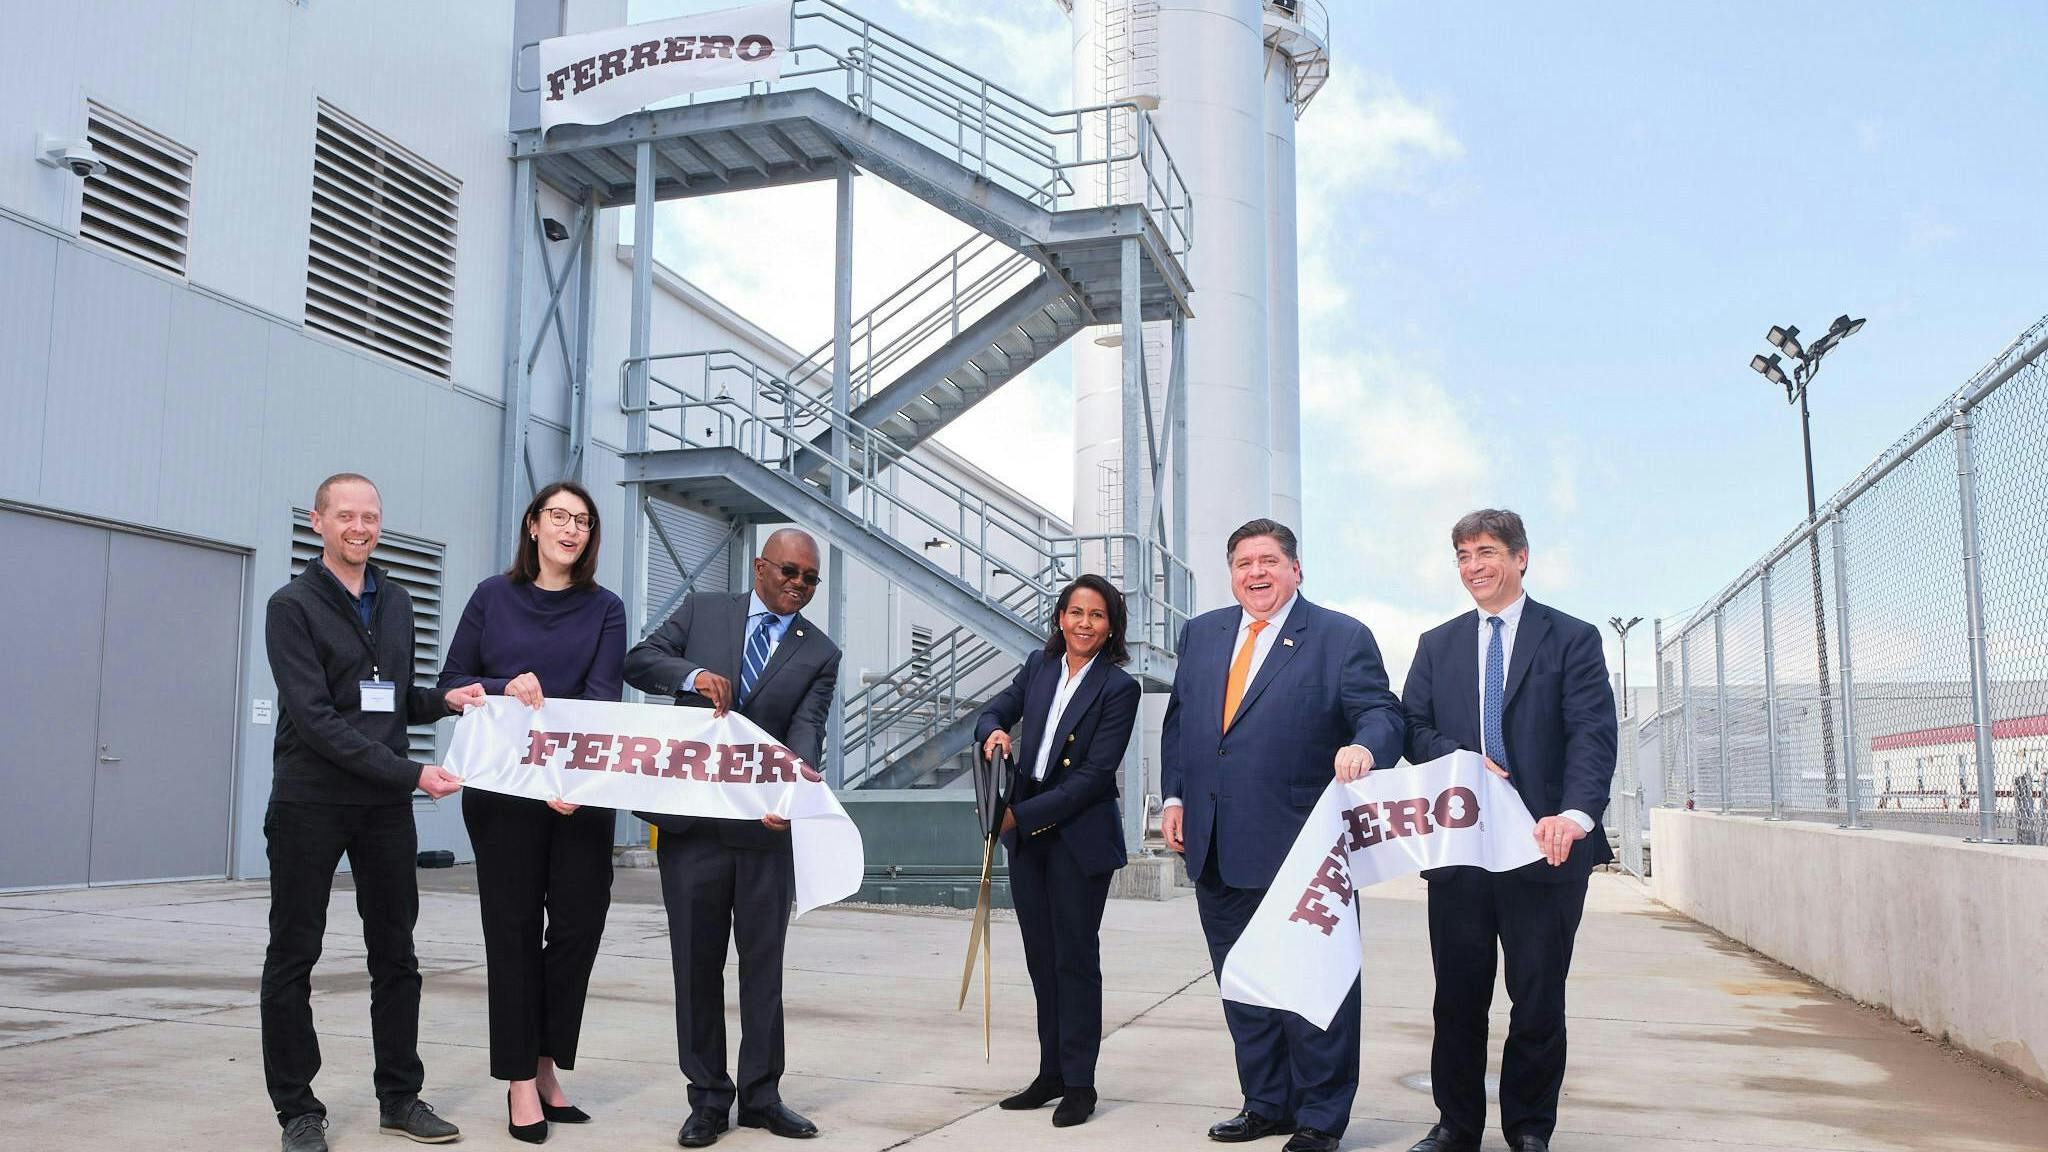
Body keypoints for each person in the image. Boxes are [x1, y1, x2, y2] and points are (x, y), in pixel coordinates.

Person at [1160, 518, 1405, 1152]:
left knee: (1315, 988)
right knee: (1242, 983)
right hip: (1215, 843)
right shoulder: (1203, 634)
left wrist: (1365, 747)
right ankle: (1266, 1102)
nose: (1256, 573)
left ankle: (1321, 1118)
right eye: (1243, 563)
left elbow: (1382, 712)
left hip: (1304, 849)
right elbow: (1180, 722)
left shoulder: (1339, 637)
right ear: (1232, 573)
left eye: (1269, 560)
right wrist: (1176, 794)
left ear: (1296, 569)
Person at [260, 473, 484, 1152]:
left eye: (372, 517)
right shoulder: (291, 606)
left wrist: (445, 701)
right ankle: (298, 1110)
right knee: (294, 953)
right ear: (319, 521)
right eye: (347, 516)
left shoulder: (396, 600)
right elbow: (320, 720)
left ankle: (400, 1098)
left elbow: (384, 697)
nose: (361, 528)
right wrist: (413, 771)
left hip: (384, 805)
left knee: (397, 954)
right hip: (311, 800)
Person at [1398, 509, 1617, 1152]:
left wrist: (1574, 816)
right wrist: (1461, 760)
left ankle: (1528, 1127)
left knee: (1538, 999)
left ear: (1521, 557)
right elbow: (1413, 727)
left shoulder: (1571, 638)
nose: (1474, 567)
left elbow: (1592, 736)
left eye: (1486, 552)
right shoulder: (1436, 644)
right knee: (1458, 999)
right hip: (1463, 851)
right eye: (1463, 556)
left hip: (1545, 849)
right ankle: (1456, 1125)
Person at [624, 528, 842, 1148]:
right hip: (691, 825)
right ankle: (708, 1099)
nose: (798, 586)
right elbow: (638, 660)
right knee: (695, 965)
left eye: (809, 579)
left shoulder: (820, 651)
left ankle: (763, 1096)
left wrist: (792, 788)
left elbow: (807, 726)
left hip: (764, 830)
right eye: (788, 573)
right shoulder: (703, 610)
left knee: (762, 968)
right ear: (759, 566)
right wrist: (691, 675)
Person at [438, 480, 627, 1144]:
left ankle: (547, 1062)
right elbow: (450, 683)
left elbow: (601, 698)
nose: (571, 530)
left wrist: (568, 774)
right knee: (513, 931)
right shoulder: (493, 597)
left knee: (579, 924)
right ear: (532, 526)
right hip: (505, 795)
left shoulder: (605, 608)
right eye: (559, 518)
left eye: (582, 521)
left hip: (576, 792)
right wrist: (501, 685)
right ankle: (521, 1080)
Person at [973, 574, 1143, 1129]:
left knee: (1074, 959)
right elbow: (992, 712)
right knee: (1041, 959)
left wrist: (1023, 815)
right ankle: (1049, 1073)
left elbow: (1095, 776)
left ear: (1110, 625)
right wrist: (995, 732)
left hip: (1076, 834)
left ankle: (1080, 1083)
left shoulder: (1120, 688)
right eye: (1075, 612)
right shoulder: (1038, 666)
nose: (1084, 624)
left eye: (1096, 615)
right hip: (1026, 832)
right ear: (1060, 617)